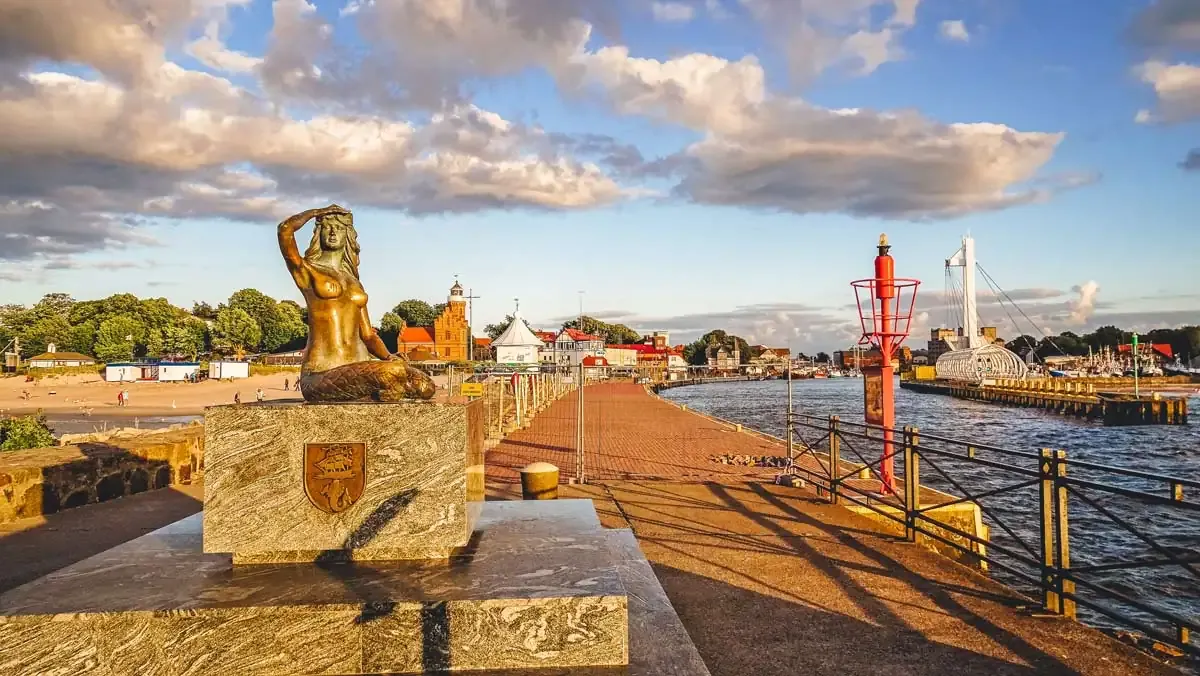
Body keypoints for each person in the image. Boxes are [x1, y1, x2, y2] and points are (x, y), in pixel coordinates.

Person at [277, 205, 435, 401]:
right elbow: (285, 230)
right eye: (327, 227)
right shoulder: (307, 271)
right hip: (320, 374)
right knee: (393, 372)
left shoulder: (354, 282)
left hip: (359, 365)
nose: (333, 232)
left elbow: (368, 335)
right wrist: (317, 213)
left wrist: (388, 357)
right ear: (318, 233)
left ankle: (381, 391)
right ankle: (382, 392)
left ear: (348, 236)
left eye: (340, 228)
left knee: (426, 385)